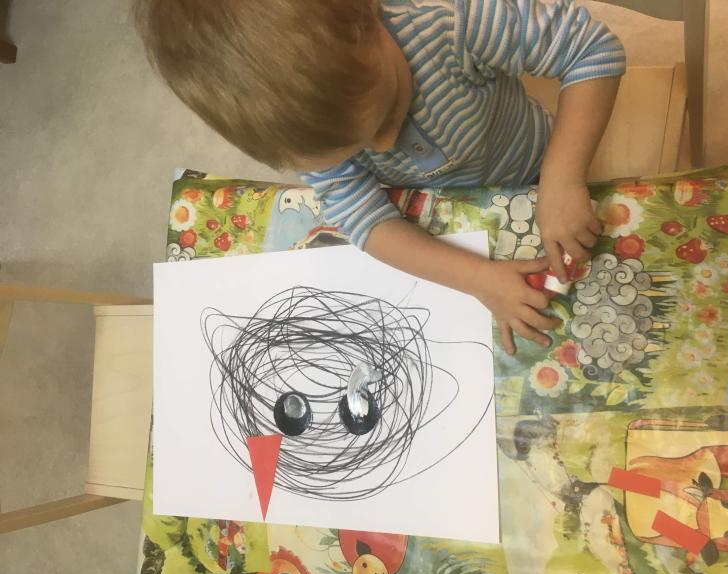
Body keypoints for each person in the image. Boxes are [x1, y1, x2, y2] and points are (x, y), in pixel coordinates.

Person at [135, 0, 625, 354]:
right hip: (458, 226)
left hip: (539, 164)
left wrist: (562, 176)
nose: (387, 145)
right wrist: (478, 279)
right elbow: (365, 221)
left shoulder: (448, 20)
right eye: (356, 149)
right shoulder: (312, 124)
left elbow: (591, 51)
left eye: (389, 111)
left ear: (365, 14)